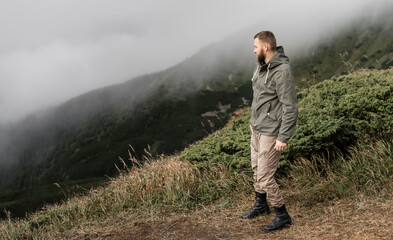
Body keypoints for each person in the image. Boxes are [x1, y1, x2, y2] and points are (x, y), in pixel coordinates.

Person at [241, 31, 298, 232]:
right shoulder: (261, 66)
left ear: (266, 47)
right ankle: (261, 205)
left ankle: (282, 215)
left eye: (255, 46)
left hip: (272, 132)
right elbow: (259, 97)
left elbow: (290, 107)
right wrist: (253, 121)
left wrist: (283, 136)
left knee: (265, 175)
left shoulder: (282, 71)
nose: (253, 49)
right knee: (256, 168)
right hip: (257, 128)